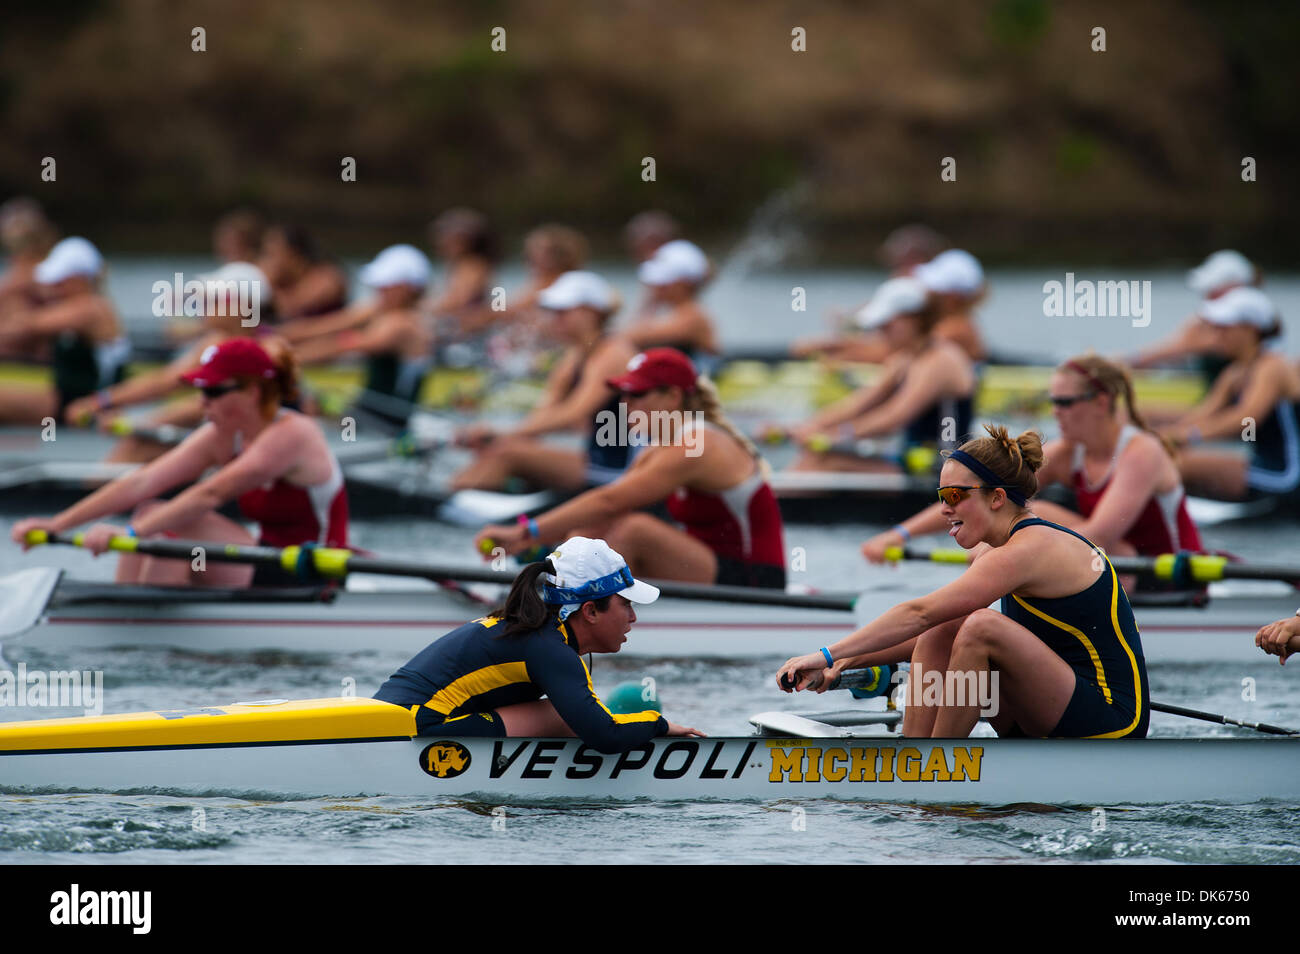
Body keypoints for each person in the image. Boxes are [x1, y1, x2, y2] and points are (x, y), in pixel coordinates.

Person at [777, 426, 1149, 741]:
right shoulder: (1000, 549)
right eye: (941, 496)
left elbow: (919, 612)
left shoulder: (1032, 548)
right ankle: (914, 758)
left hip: (1111, 720)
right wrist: (841, 662)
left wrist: (823, 653)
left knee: (981, 626)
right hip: (1053, 703)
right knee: (948, 626)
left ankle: (937, 770)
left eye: (954, 495)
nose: (943, 508)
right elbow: (931, 624)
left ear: (997, 498)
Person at [11, 338, 348, 588]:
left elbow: (210, 494)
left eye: (214, 391)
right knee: (149, 511)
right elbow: (143, 481)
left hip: (314, 573)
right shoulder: (222, 434)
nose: (202, 402)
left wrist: (130, 533)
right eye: (199, 391)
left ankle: (146, 636)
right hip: (264, 561)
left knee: (165, 525)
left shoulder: (294, 434)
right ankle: (127, 609)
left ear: (252, 392)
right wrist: (58, 524)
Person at [861, 355, 1203, 578]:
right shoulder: (1070, 453)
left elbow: (1100, 535)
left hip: (1166, 578)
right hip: (1105, 570)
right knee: (1009, 508)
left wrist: (1004, 554)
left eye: (1064, 403)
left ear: (1100, 403)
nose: (1055, 412)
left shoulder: (1142, 452)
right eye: (1051, 402)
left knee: (1036, 512)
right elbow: (972, 496)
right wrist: (899, 534)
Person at [475, 348, 787, 588]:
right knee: (593, 529)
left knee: (634, 530)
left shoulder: (697, 445)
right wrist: (551, 540)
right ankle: (554, 581)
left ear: (673, 396)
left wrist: (524, 532)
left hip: (755, 579)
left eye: (636, 394)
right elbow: (605, 508)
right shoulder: (658, 446)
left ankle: (565, 605)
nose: (625, 403)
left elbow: (609, 501)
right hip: (705, 565)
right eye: (622, 393)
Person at [374, 537, 703, 750]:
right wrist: (659, 725)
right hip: (413, 730)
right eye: (626, 604)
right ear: (590, 611)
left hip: (394, 721)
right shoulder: (549, 648)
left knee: (575, 715)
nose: (633, 618)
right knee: (562, 717)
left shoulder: (541, 633)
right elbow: (606, 736)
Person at [62, 262, 277, 460]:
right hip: (228, 434)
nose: (203, 305)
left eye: (214, 299)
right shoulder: (215, 342)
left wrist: (134, 425)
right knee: (139, 444)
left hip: (259, 445)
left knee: (138, 446)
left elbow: (202, 406)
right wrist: (100, 402)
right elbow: (166, 381)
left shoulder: (265, 350)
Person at [450, 270, 636, 492]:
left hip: (621, 469)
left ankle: (451, 499)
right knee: (504, 448)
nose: (554, 319)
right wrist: (500, 436)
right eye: (552, 311)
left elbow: (573, 413)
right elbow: (545, 411)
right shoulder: (576, 354)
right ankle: (457, 492)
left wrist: (503, 433)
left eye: (562, 312)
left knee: (506, 454)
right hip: (598, 458)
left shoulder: (613, 354)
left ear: (591, 313)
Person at [784, 276, 975, 476]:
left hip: (946, 471)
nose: (880, 333)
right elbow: (859, 404)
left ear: (916, 320)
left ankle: (776, 503)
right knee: (815, 457)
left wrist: (834, 435)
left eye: (886, 325)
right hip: (915, 459)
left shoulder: (940, 360)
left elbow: (893, 416)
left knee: (824, 462)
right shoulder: (905, 358)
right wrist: (805, 426)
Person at [1159, 288, 1300, 501]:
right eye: (1215, 327)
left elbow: (1246, 419)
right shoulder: (1234, 373)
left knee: (1177, 465)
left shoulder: (1272, 366)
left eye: (1224, 327)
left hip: (1287, 476)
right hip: (1263, 465)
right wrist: (1159, 437)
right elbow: (1203, 414)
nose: (1216, 335)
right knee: (1162, 458)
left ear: (1251, 329)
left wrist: (1188, 436)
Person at [289, 244, 435, 431]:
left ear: (407, 288)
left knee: (300, 406)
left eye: (385, 285)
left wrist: (289, 359)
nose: (378, 289)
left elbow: (341, 347)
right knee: (310, 405)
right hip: (366, 415)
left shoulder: (403, 324)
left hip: (386, 426)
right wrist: (275, 334)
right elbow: (323, 326)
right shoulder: (384, 312)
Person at [0, 236, 130, 424]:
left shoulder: (91, 308)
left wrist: (12, 288)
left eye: (59, 282)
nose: (54, 287)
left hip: (88, 405)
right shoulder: (77, 308)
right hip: (69, 399)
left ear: (79, 279)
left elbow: (25, 326)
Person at [1127, 250, 1260, 376]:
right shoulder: (1204, 320)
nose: (1206, 296)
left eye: (1213, 291)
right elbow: (1172, 348)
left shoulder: (1250, 324)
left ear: (1236, 288)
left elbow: (1173, 349)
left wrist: (1127, 362)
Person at [621, 239, 720, 367]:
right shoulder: (676, 314)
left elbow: (630, 336)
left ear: (683, 282)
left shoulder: (694, 317)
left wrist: (650, 302)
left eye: (663, 282)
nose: (656, 286)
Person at [258, 224, 348, 320]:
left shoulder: (328, 277)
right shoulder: (281, 282)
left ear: (294, 253)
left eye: (272, 254)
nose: (268, 261)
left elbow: (289, 310)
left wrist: (268, 284)